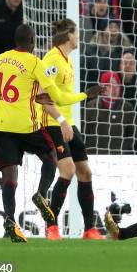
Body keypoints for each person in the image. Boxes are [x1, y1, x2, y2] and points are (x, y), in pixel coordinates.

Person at [0, 24, 92, 242]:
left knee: (9, 175)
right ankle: (41, 194)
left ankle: (10, 219)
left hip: (0, 125)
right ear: (33, 42)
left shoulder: (0, 59)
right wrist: (84, 95)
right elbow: (57, 98)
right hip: (26, 125)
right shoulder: (37, 63)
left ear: (15, 40)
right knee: (50, 156)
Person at [35, 19, 105, 240]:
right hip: (54, 123)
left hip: (68, 122)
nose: (79, 37)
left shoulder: (66, 59)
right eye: (76, 33)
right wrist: (65, 117)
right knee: (67, 170)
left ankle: (89, 229)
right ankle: (52, 226)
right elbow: (42, 98)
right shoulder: (52, 60)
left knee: (85, 171)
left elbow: (63, 96)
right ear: (69, 36)